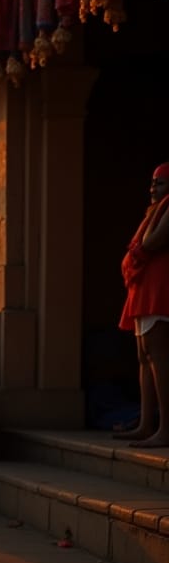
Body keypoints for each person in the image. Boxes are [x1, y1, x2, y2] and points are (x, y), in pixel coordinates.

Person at [116, 162, 169, 447]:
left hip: (160, 290)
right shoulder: (155, 210)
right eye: (152, 183)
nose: (153, 188)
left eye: (159, 183)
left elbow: (151, 242)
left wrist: (138, 245)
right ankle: (146, 424)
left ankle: (165, 428)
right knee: (143, 357)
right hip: (144, 289)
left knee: (159, 358)